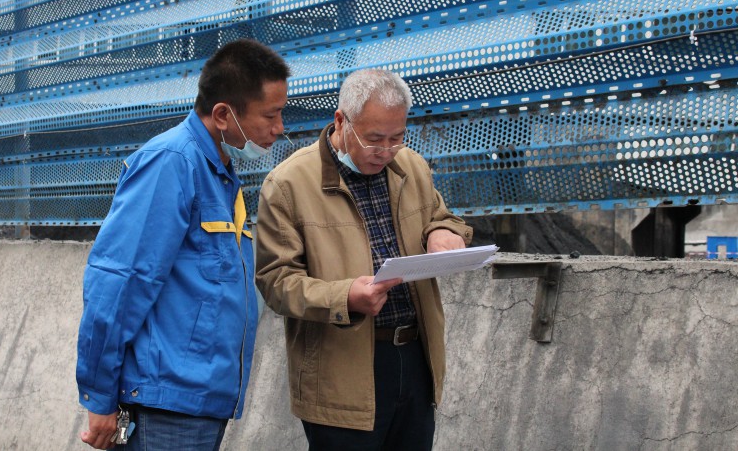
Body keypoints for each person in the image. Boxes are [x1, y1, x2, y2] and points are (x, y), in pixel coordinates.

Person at [76, 38, 290, 450]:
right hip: (166, 405)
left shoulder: (219, 174)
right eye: (270, 114)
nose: (279, 128)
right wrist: (99, 395)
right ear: (223, 114)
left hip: (198, 399)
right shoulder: (171, 164)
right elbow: (119, 282)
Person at [254, 68, 473, 450]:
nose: (385, 152)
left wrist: (443, 232)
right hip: (341, 369)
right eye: (374, 139)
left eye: (396, 138)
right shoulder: (288, 184)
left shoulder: (411, 166)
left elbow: (441, 216)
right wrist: (345, 298)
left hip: (415, 356)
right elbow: (276, 282)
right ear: (341, 121)